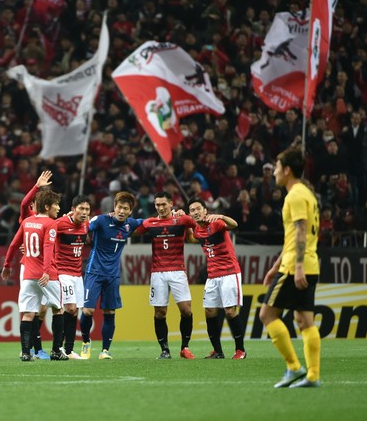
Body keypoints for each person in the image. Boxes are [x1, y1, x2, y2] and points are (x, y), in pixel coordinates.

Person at [260, 149, 321, 388]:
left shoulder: (295, 195)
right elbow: (293, 236)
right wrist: (275, 266)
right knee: (305, 320)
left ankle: (294, 367)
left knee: (267, 315)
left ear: (287, 170)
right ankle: (313, 376)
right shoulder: (307, 193)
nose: (274, 171)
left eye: (276, 167)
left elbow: (301, 231)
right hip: (310, 263)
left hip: (296, 265)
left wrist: (295, 267)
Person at [1, 189, 68, 361]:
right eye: (56, 205)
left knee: (28, 313)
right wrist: (46, 270)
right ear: (47, 206)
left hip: (28, 275)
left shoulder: (27, 222)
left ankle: (25, 353)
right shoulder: (50, 224)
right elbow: (47, 247)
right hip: (47, 275)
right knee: (58, 309)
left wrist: (7, 264)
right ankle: (56, 351)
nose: (58, 208)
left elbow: (14, 244)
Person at [80, 191, 144, 359]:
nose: (121, 211)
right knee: (87, 310)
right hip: (94, 271)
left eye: (125, 209)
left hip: (113, 275)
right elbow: (84, 226)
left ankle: (105, 350)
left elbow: (151, 222)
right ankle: (86, 343)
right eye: (119, 207)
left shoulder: (131, 224)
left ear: (130, 211)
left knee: (109, 312)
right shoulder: (101, 220)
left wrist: (175, 214)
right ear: (114, 207)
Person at [135, 191, 197, 360]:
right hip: (158, 273)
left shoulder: (182, 220)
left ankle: (185, 347)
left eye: (163, 204)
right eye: (157, 205)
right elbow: (132, 231)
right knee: (160, 313)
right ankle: (165, 350)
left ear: (171, 204)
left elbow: (198, 226)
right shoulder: (150, 223)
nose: (160, 208)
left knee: (186, 310)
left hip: (178, 272)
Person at [187, 198, 247, 360]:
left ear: (205, 210)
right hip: (212, 276)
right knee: (209, 311)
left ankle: (240, 350)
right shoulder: (197, 230)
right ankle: (218, 351)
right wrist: (183, 222)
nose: (195, 212)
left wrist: (221, 216)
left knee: (230, 311)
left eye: (198, 209)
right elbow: (192, 238)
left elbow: (234, 225)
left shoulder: (217, 224)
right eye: (192, 210)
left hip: (229, 272)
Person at [18, 170, 53, 360]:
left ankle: (33, 348)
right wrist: (37, 186)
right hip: (28, 266)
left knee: (42, 309)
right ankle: (33, 349)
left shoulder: (49, 220)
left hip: (44, 267)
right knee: (30, 310)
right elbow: (23, 203)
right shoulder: (27, 217)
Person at [56, 194, 91, 360]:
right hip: (62, 272)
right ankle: (58, 348)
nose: (84, 212)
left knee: (75, 311)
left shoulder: (86, 224)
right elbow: (44, 232)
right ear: (73, 210)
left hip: (78, 274)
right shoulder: (61, 223)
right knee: (68, 308)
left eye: (87, 209)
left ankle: (68, 350)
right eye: (81, 209)